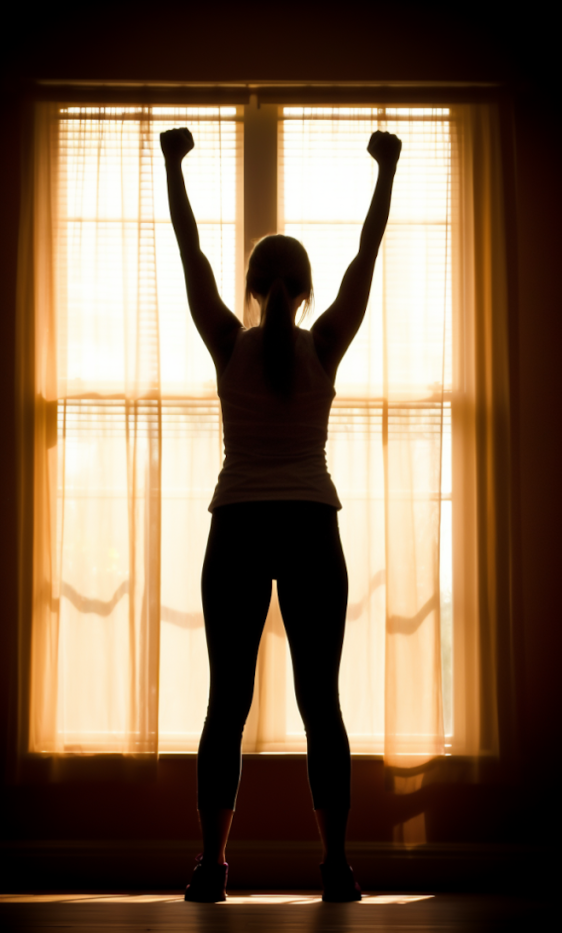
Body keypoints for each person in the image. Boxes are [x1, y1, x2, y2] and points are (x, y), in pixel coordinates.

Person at [160, 124, 402, 902]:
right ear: (304, 289)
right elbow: (367, 260)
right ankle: (336, 867)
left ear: (257, 285)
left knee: (224, 702)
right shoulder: (324, 344)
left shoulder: (228, 341)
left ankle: (209, 868)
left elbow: (192, 257)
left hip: (236, 527)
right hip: (308, 527)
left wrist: (175, 166)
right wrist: (385, 172)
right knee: (320, 701)